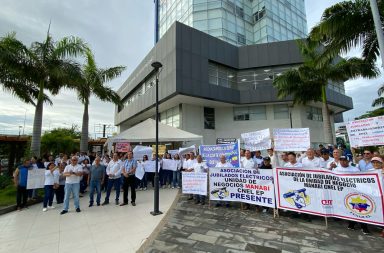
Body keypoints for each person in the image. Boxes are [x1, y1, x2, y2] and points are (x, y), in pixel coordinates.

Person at [333, 156, 370, 234]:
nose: (343, 162)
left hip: (354, 192)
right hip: (343, 192)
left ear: (348, 161)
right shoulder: (336, 169)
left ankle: (364, 226)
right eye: (341, 160)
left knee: (359, 209)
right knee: (349, 208)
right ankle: (351, 223)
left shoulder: (355, 169)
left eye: (345, 160)